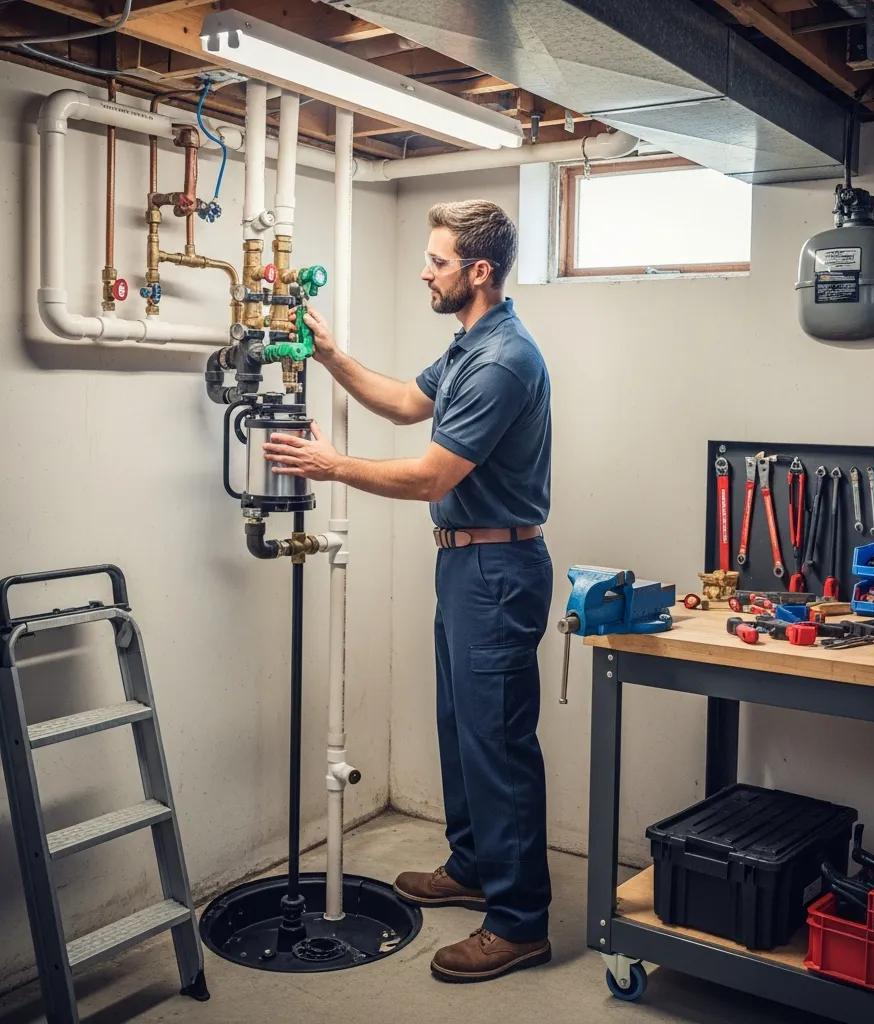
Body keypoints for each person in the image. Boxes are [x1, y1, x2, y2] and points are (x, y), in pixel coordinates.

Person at [263, 200, 553, 983]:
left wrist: (332, 468)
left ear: (478, 271)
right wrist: (327, 354)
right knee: (463, 727)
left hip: (498, 569)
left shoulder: (502, 361)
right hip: (465, 565)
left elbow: (431, 474)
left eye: (437, 261)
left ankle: (521, 921)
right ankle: (475, 866)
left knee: (498, 744)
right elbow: (402, 402)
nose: (424, 270)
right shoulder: (469, 346)